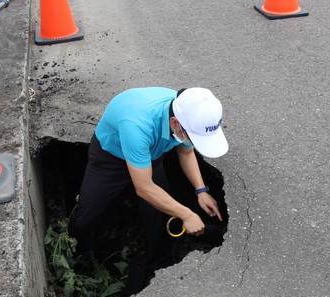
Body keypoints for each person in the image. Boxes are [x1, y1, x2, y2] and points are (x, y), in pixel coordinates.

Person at [68, 87, 228, 273]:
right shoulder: (137, 124)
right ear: (175, 123)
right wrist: (188, 215)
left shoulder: (186, 110)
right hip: (112, 158)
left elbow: (186, 150)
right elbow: (144, 188)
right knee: (85, 218)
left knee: (159, 216)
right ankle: (77, 259)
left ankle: (157, 266)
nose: (194, 141)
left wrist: (201, 191)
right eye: (194, 137)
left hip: (150, 155)